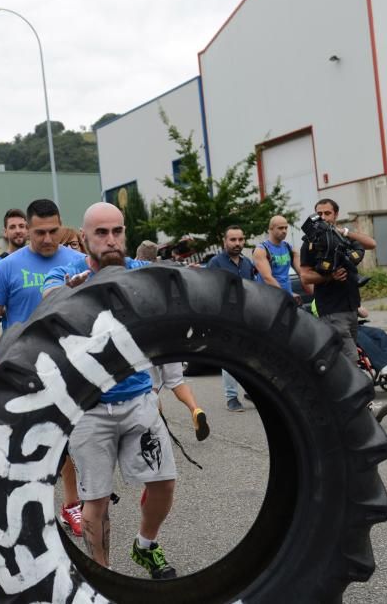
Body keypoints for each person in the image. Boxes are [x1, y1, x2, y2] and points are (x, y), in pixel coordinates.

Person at [42, 202, 178, 580]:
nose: (111, 240)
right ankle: (104, 577)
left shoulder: (139, 272)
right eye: (101, 233)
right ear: (84, 239)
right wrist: (73, 292)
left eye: (117, 231)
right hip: (88, 407)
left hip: (137, 398)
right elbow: (49, 300)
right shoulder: (67, 274)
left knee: (164, 482)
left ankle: (146, 545)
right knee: (94, 502)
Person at [0, 199, 87, 533]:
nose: (47, 238)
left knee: (68, 437)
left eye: (54, 231)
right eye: (39, 232)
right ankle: (24, 510)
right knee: (23, 445)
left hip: (70, 366)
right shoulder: (7, 267)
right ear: (28, 229)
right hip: (23, 368)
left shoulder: (79, 261)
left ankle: (71, 505)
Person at [300, 199, 387, 421]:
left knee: (340, 361)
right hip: (331, 309)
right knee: (350, 359)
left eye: (327, 213)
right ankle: (365, 407)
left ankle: (331, 408)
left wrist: (345, 231)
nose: (323, 217)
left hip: (350, 308)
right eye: (319, 213)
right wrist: (328, 276)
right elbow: (305, 275)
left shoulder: (342, 236)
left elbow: (371, 243)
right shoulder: (311, 242)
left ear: (336, 215)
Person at [135, 239, 209, 439]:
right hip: (171, 333)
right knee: (177, 381)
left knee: (151, 387)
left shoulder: (134, 276)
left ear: (139, 257)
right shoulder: (168, 274)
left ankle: (158, 428)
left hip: (147, 338)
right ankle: (195, 409)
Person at [206, 225, 260, 412]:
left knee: (249, 359)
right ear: (225, 242)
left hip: (246, 317)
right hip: (225, 318)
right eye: (233, 240)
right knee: (230, 360)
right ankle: (231, 399)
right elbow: (209, 291)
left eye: (240, 240)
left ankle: (250, 393)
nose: (237, 243)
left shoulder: (247, 263)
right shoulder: (215, 263)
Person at [253, 215, 305, 299]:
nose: (284, 231)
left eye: (286, 228)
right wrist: (288, 295)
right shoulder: (261, 250)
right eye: (280, 228)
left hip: (286, 298)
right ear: (271, 229)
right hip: (268, 299)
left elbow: (302, 273)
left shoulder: (289, 248)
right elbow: (268, 278)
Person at [0, 208, 29, 281]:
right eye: (12, 227)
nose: (18, 231)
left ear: (27, 230)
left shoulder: (39, 259)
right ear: (5, 232)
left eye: (21, 226)